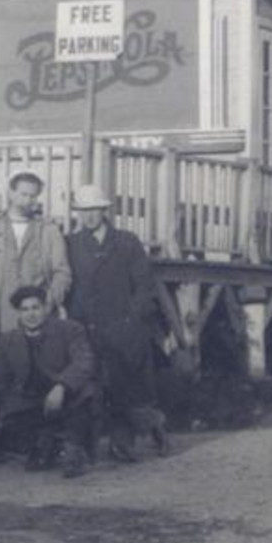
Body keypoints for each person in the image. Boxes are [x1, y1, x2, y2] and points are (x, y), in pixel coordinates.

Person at [65, 183, 169, 463]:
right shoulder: (71, 244)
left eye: (93, 211)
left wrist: (131, 321)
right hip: (86, 327)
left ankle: (126, 441)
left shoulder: (126, 242)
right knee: (89, 386)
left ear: (104, 211)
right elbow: (67, 284)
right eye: (82, 211)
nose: (88, 217)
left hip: (122, 327)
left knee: (126, 386)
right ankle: (87, 446)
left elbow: (144, 286)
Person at [0, 284, 94, 478]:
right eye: (25, 309)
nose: (31, 314)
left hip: (67, 399)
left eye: (36, 308)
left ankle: (73, 450)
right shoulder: (8, 340)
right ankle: (46, 444)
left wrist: (62, 386)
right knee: (7, 427)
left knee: (87, 397)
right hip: (32, 403)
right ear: (18, 314)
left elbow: (84, 362)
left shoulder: (70, 330)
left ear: (46, 308)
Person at [0, 170, 71, 353]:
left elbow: (62, 272)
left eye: (33, 196)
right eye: (23, 194)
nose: (28, 200)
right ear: (11, 193)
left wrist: (48, 303)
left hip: (33, 317)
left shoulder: (49, 230)